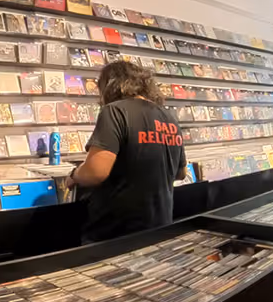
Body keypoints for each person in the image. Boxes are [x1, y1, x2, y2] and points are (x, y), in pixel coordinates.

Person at [71, 61, 188, 242]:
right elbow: (181, 173)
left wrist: (74, 175)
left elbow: (95, 172)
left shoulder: (115, 111)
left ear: (110, 85)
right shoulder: (169, 117)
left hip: (115, 231)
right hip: (159, 226)